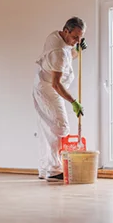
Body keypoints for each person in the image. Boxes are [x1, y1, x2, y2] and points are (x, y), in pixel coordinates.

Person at [33, 17, 87, 181]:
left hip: (43, 83)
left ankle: (45, 168)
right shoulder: (58, 53)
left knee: (47, 127)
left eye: (81, 37)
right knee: (60, 127)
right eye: (75, 37)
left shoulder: (56, 37)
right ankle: (54, 170)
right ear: (66, 31)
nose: (77, 41)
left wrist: (77, 51)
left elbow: (67, 54)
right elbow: (56, 84)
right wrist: (73, 102)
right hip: (48, 88)